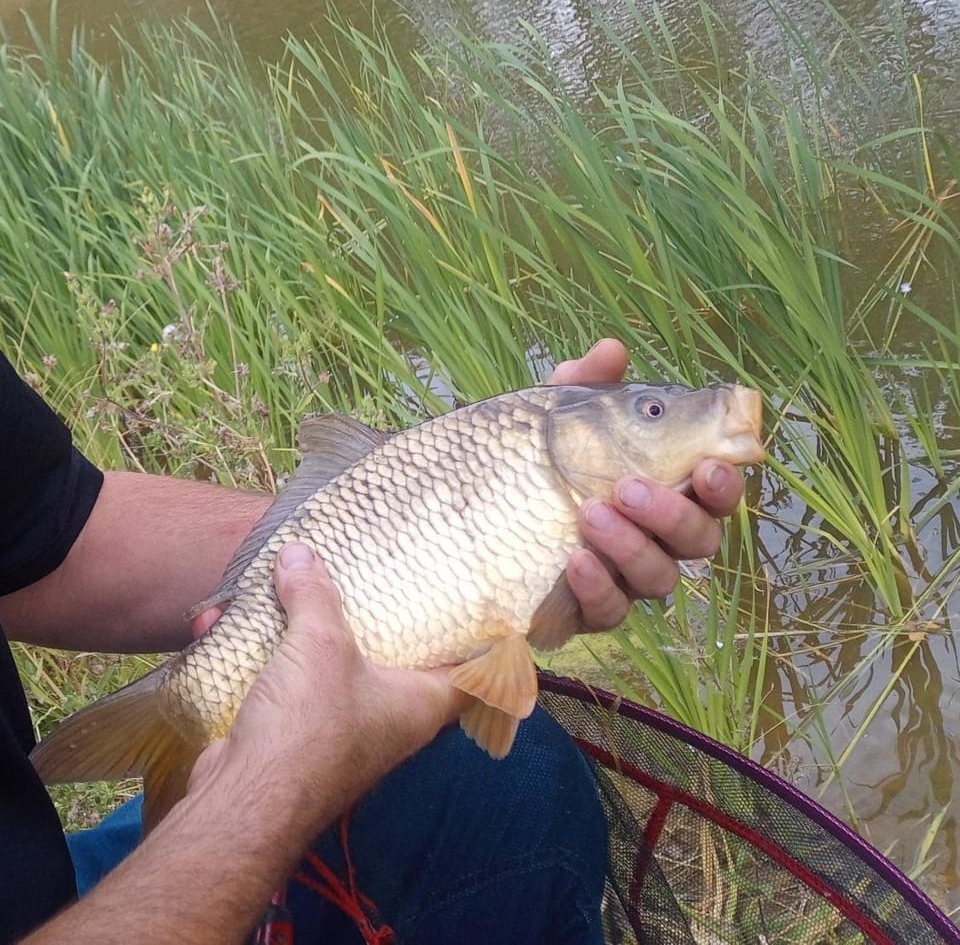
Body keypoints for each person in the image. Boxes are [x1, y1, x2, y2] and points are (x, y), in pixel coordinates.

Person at [0, 339, 744, 944]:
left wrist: (408, 530)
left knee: (515, 781)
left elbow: (54, 525)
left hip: (38, 876)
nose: (676, 412)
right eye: (652, 410)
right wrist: (260, 795)